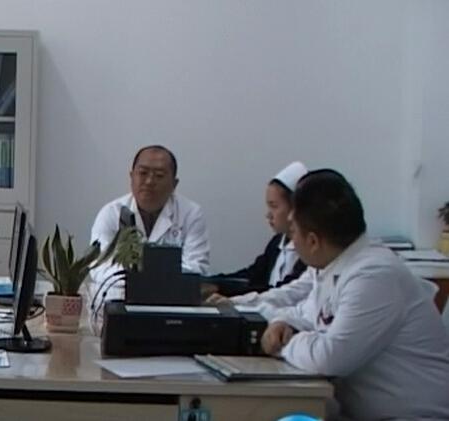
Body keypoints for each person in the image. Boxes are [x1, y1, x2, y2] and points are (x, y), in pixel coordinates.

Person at [261, 169, 449, 420]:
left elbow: (331, 357)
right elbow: (307, 314)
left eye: (293, 231)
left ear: (314, 241)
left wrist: (284, 344)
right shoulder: (334, 267)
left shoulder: (374, 275)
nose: (291, 241)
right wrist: (283, 322)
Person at [89, 145, 210, 306]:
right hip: (119, 300)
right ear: (131, 177)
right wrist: (143, 279)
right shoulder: (111, 213)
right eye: (143, 173)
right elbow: (99, 266)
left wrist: (142, 277)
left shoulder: (191, 214)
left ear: (174, 184)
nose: (149, 181)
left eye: (159, 175)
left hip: (173, 304)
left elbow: (197, 268)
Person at [207, 162, 309, 300]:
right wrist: (213, 283)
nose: (268, 215)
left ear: (294, 208)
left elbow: (283, 292)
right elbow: (252, 276)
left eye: (274, 206)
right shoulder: (277, 242)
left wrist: (233, 298)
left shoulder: (310, 252)